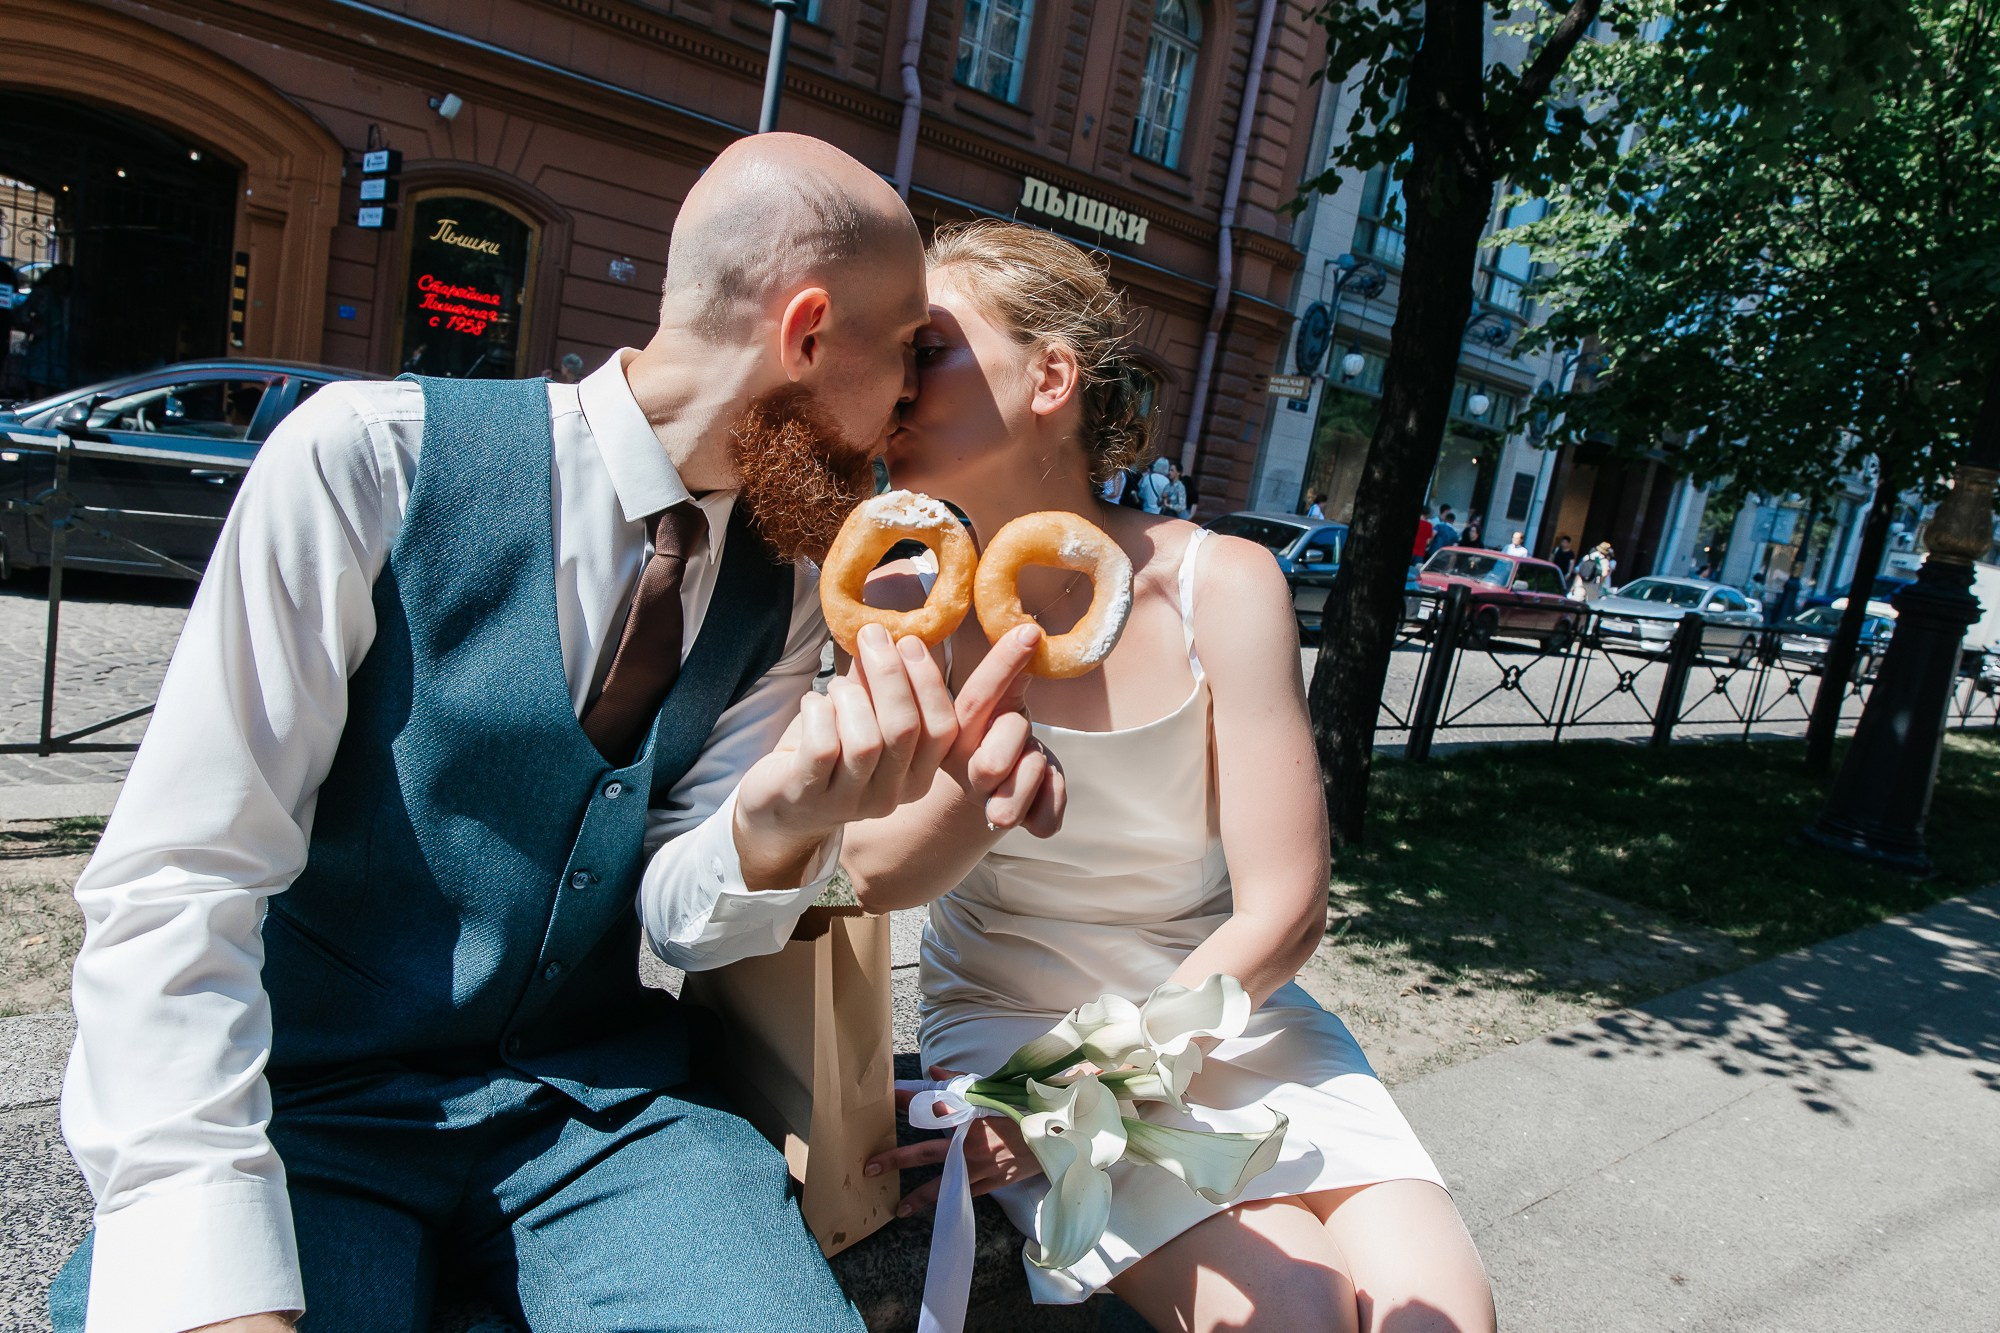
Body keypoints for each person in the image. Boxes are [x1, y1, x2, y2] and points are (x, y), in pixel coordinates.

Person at [50, 135, 1058, 1333]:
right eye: (901, 352)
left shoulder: (785, 587)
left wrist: (775, 820)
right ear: (804, 333)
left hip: (594, 1115)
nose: (904, 402)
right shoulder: (369, 459)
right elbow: (181, 876)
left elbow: (676, 918)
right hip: (308, 1104)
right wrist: (201, 1240)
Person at [847, 221, 1492, 1333]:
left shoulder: (1220, 584)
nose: (893, 385)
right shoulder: (902, 604)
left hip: (1231, 1013)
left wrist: (1091, 1087)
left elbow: (1286, 910)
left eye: (929, 350)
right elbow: (869, 875)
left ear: (1050, 379)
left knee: (1441, 1317)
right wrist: (1039, 1092)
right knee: (1294, 1307)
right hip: (1017, 1024)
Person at [1412, 505, 1435, 573]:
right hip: (1420, 553)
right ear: (1427, 514)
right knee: (1416, 572)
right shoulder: (1429, 525)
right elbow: (1428, 541)